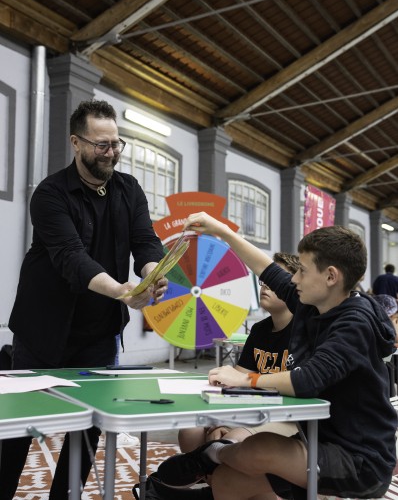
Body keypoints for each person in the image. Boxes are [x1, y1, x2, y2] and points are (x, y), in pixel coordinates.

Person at [156, 212, 397, 500]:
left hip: (360, 461)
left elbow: (307, 379)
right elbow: (267, 269)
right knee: (227, 481)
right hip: (322, 439)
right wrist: (222, 231)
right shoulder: (316, 302)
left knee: (261, 448)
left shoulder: (354, 324)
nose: (294, 278)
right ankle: (207, 469)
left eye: (303, 270)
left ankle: (208, 456)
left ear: (331, 276)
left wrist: (246, 378)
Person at [0, 99, 168, 500]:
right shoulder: (49, 194)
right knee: (18, 432)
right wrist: (124, 291)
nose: (111, 153)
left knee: (87, 433)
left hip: (98, 332)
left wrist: (150, 272)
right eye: (101, 145)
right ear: (76, 143)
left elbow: (146, 241)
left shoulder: (129, 189)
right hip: (41, 331)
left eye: (116, 144)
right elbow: (71, 258)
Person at [178, 252, 300, 456]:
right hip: (255, 409)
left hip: (287, 415)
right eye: (264, 281)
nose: (265, 286)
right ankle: (208, 481)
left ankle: (230, 483)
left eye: (274, 281)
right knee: (190, 431)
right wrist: (218, 422)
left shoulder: (304, 332)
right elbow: (235, 382)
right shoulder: (260, 330)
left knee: (232, 440)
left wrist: (230, 425)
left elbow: (297, 387)